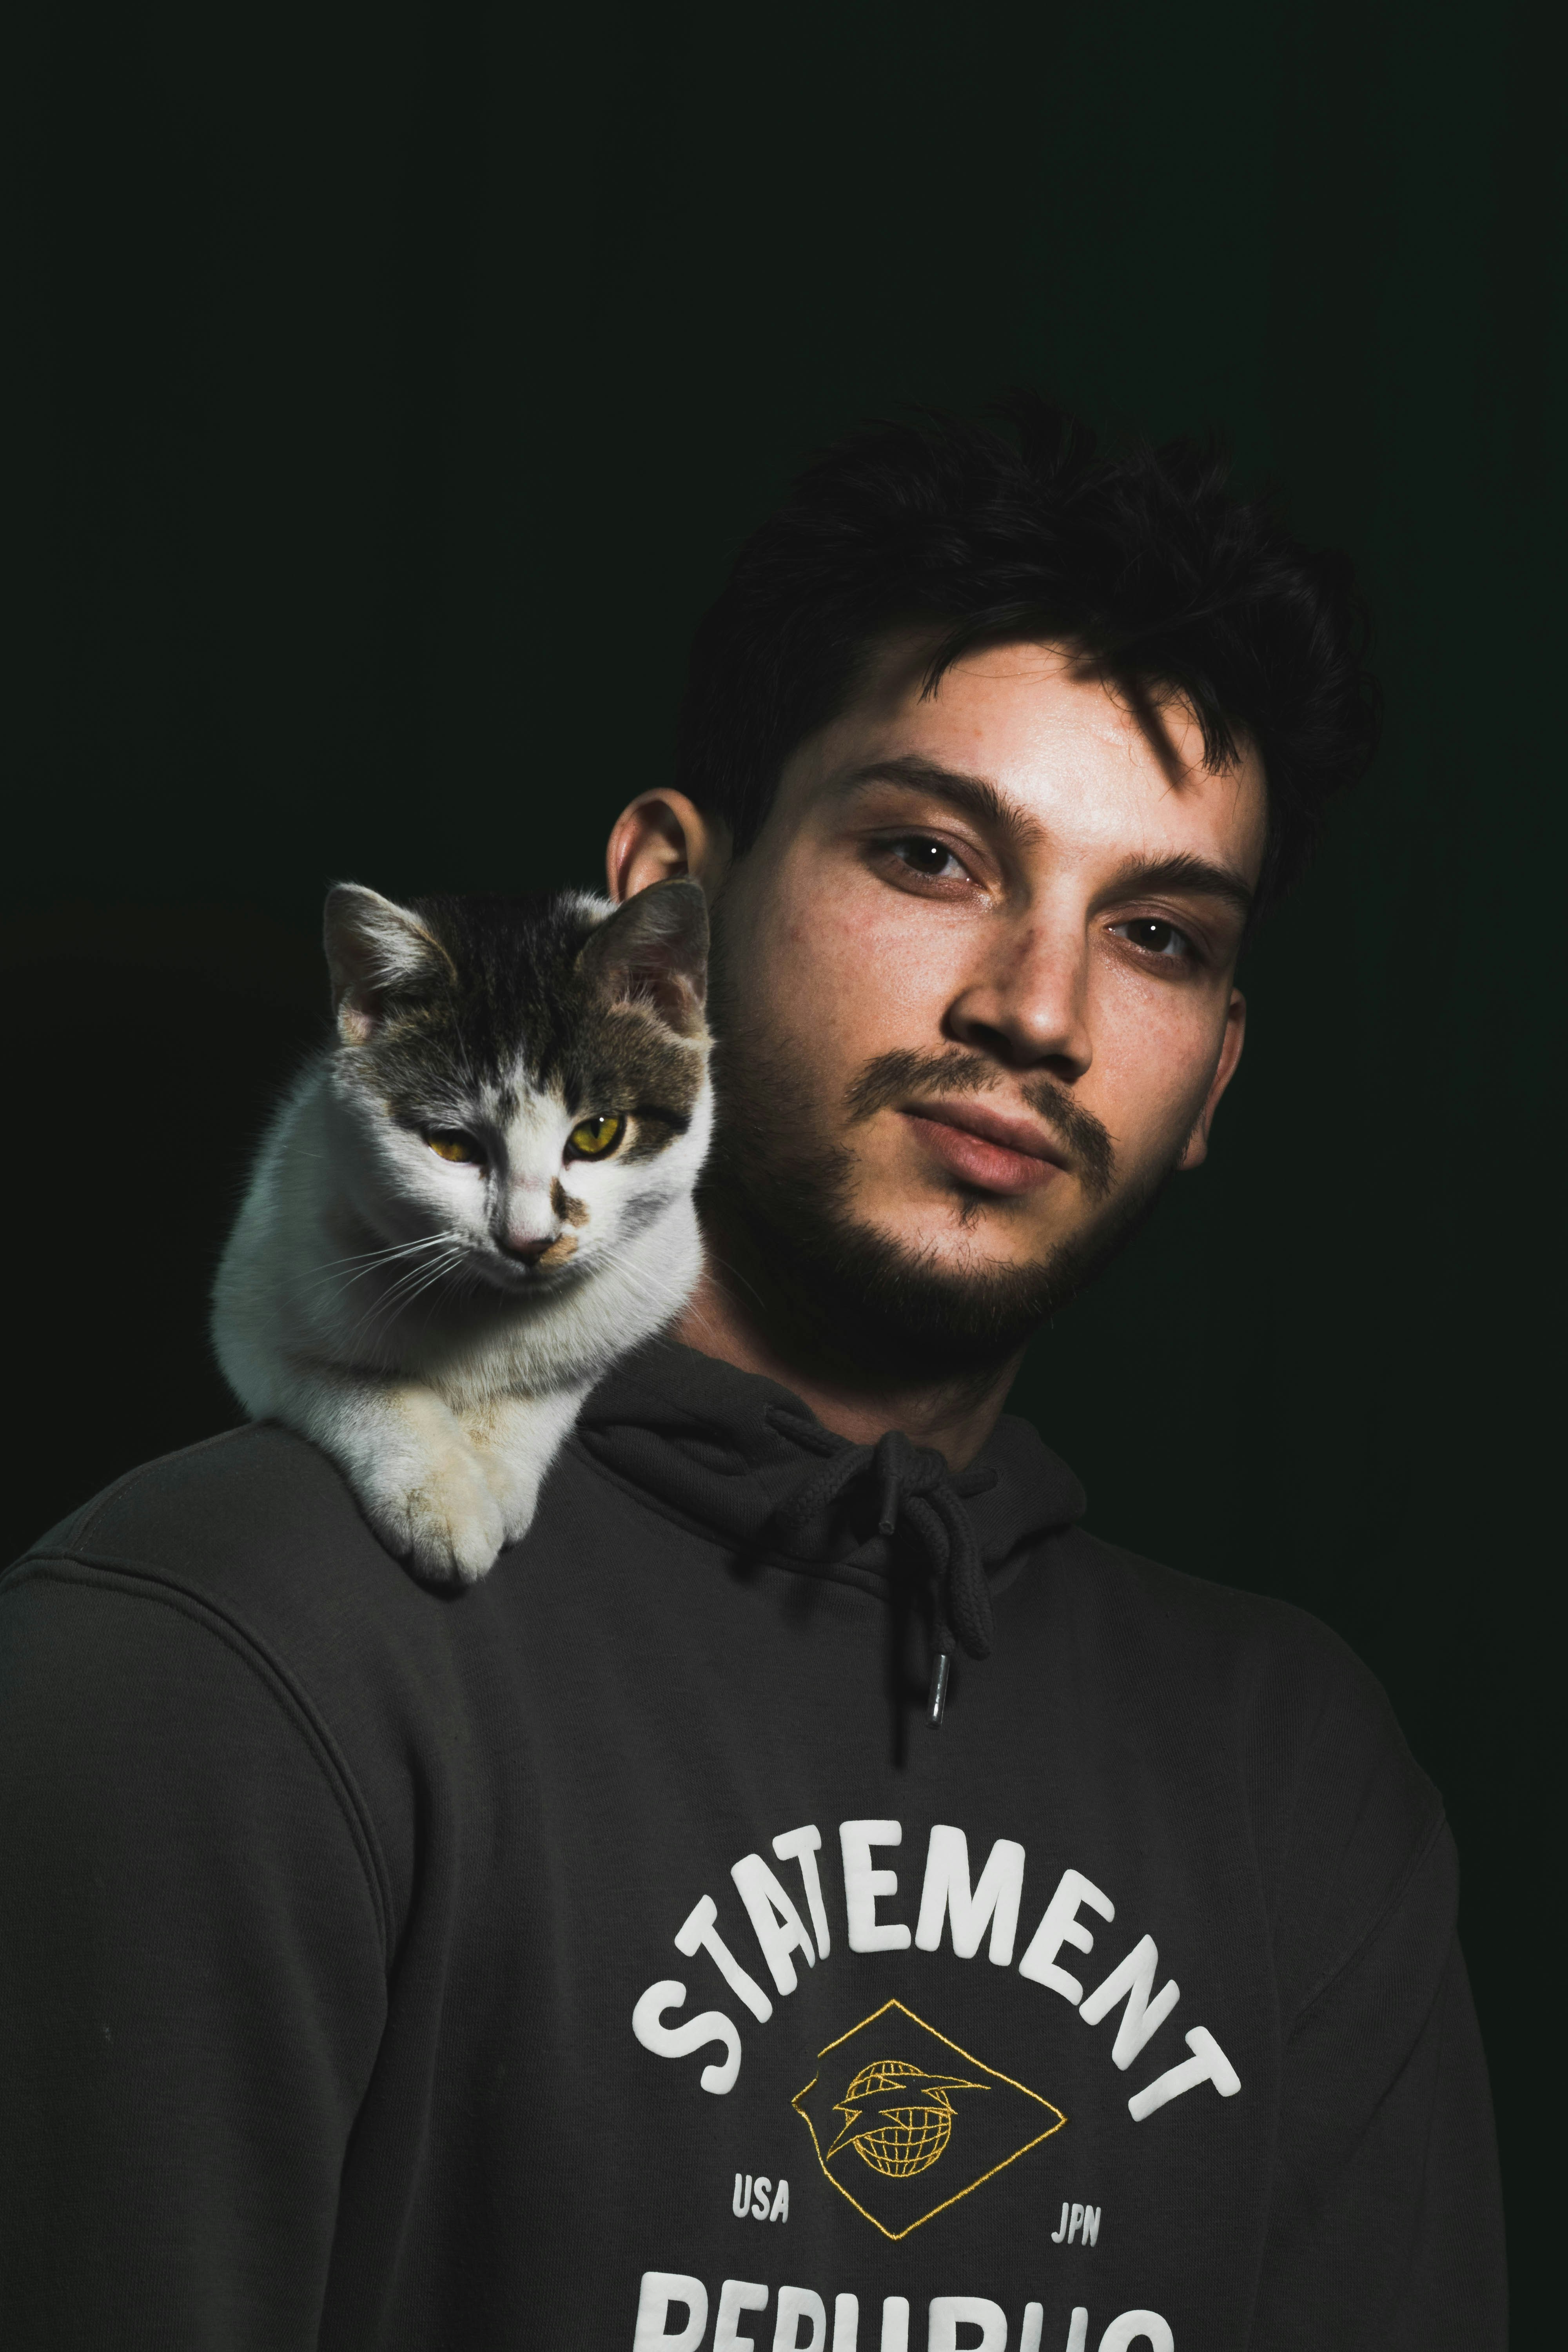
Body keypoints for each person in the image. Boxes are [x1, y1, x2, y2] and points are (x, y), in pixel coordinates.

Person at [0, 402, 1504, 2350]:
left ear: (1215, 1069)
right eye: (933, 854)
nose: (1034, 1012)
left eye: (1153, 933)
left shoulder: (1292, 1790)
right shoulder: (230, 1645)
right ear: (663, 920)